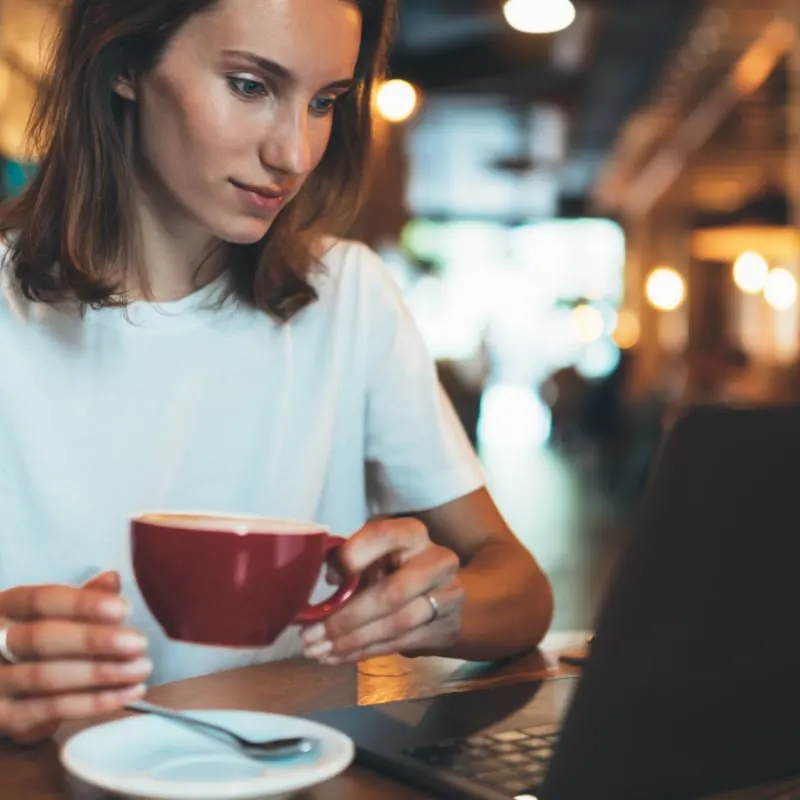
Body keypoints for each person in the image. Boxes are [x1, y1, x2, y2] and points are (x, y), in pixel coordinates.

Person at [0, 0, 553, 745]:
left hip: (289, 781)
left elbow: (523, 589)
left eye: (325, 101)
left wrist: (431, 608)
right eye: (251, 86)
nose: (294, 153)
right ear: (125, 63)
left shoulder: (347, 298)